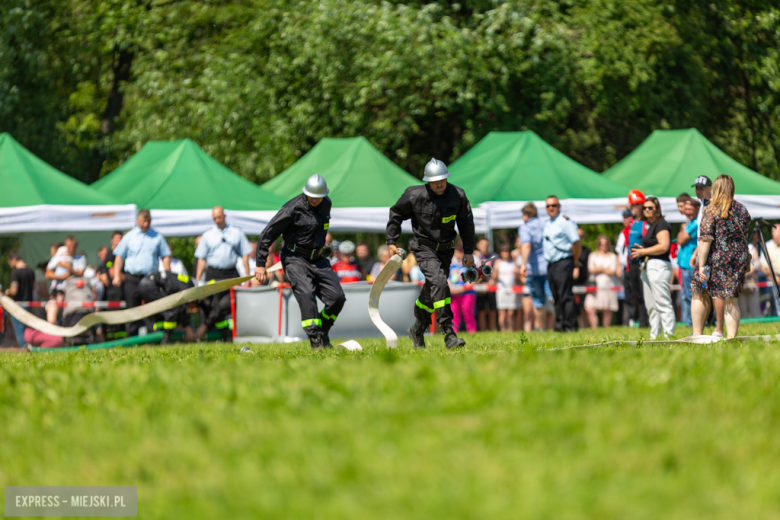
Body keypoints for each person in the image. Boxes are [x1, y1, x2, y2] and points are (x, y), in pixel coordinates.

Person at [387, 157, 476, 349]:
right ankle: (448, 332)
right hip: (423, 247)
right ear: (427, 181)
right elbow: (396, 214)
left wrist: (468, 251)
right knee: (439, 282)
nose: (439, 184)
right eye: (435, 181)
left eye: (442, 180)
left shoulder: (458, 195)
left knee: (433, 289)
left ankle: (418, 329)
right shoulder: (413, 195)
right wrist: (391, 241)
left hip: (446, 249)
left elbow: (466, 224)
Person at [255, 174, 346, 349]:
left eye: (318, 197)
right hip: (294, 258)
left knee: (337, 298)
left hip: (318, 258)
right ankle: (316, 340)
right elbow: (267, 234)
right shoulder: (292, 209)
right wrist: (260, 263)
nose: (314, 200)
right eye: (311, 196)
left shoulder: (326, 204)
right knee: (306, 295)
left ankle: (323, 331)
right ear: (305, 193)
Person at [691, 175, 751, 339]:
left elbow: (705, 239)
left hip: (715, 258)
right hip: (737, 259)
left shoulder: (711, 209)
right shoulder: (742, 210)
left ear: (715, 188)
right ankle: (731, 338)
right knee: (731, 300)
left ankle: (697, 335)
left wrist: (701, 264)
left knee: (699, 292)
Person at [194, 206, 252, 340]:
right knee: (210, 306)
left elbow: (245, 255)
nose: (217, 220)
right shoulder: (207, 235)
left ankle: (210, 330)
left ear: (224, 216)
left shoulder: (236, 232)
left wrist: (247, 277)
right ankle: (220, 335)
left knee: (224, 306)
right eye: (214, 218)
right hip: (213, 274)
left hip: (231, 274)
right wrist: (197, 281)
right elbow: (201, 259)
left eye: (219, 217)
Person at [112, 209, 172, 337]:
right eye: (144, 221)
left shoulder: (157, 237)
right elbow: (118, 257)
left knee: (152, 309)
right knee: (132, 310)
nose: (146, 224)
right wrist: (117, 275)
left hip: (150, 279)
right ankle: (131, 341)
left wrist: (167, 273)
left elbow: (166, 255)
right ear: (137, 220)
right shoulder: (129, 237)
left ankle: (153, 338)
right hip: (132, 279)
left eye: (148, 221)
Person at [631, 196, 675, 339]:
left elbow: (664, 246)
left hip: (659, 266)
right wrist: (642, 249)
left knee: (662, 303)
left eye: (651, 207)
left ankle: (669, 337)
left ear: (657, 209)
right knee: (651, 306)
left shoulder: (661, 224)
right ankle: (654, 337)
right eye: (645, 208)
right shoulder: (650, 225)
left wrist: (643, 251)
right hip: (648, 267)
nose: (647, 210)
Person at [691, 175, 725, 335]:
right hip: (703, 252)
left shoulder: (714, 206)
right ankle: (700, 331)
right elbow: (702, 233)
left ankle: (719, 329)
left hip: (713, 254)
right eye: (696, 188)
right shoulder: (703, 206)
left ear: (709, 188)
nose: (698, 191)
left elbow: (710, 235)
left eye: (701, 188)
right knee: (701, 292)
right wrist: (696, 252)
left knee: (715, 291)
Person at [542, 195, 581, 332]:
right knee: (556, 296)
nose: (551, 208)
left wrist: (574, 260)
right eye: (548, 206)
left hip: (563, 262)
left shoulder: (565, 222)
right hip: (551, 264)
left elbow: (577, 243)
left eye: (554, 205)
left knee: (565, 295)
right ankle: (559, 325)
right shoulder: (548, 223)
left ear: (559, 207)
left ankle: (569, 326)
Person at [139, 270, 197, 344]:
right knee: (171, 309)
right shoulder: (189, 287)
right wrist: (188, 329)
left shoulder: (186, 281)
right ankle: (166, 340)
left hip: (145, 283)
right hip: (151, 285)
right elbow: (182, 307)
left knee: (159, 313)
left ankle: (156, 340)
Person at [519, 202, 552, 332]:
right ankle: (562, 323)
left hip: (533, 269)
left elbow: (526, 245)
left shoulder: (525, 227)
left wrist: (523, 264)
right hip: (549, 267)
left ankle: (542, 328)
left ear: (526, 216)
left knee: (538, 301)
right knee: (554, 296)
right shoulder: (546, 224)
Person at [622, 190, 649, 328]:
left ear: (640, 206)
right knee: (636, 294)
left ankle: (645, 323)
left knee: (644, 295)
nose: (630, 208)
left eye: (633, 206)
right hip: (631, 265)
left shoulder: (645, 223)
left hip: (641, 264)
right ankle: (640, 322)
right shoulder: (632, 223)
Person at [584, 235, 620, 329]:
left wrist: (598, 268)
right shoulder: (592, 255)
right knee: (590, 308)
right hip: (595, 286)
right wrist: (605, 268)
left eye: (605, 244)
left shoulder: (612, 256)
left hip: (608, 285)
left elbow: (612, 271)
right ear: (598, 245)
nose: (603, 246)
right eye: (601, 244)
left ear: (608, 245)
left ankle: (606, 330)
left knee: (607, 309)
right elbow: (591, 269)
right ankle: (594, 329)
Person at [5, 251, 35, 346]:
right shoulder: (30, 271)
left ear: (13, 260)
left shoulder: (15, 272)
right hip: (29, 304)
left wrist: (7, 291)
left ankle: (24, 349)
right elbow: (34, 287)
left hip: (18, 305)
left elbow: (14, 290)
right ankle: (31, 346)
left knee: (20, 330)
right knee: (28, 329)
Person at [448, 244, 478, 334]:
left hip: (467, 293)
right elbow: (447, 278)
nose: (456, 254)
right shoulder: (451, 265)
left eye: (458, 252)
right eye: (455, 252)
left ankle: (472, 332)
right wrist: (450, 289)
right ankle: (454, 334)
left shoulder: (470, 266)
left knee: (468, 315)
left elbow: (475, 279)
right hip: (453, 294)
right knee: (454, 316)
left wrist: (462, 289)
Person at [492, 243, 517, 332]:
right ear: (501, 253)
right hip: (501, 290)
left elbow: (517, 277)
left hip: (512, 290)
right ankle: (502, 331)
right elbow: (494, 277)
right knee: (502, 313)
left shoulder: (514, 263)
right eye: (504, 251)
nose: (506, 253)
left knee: (511, 313)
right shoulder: (498, 262)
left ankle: (510, 331)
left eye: (507, 251)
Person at [474, 238, 497, 331]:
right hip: (479, 286)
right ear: (478, 246)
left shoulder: (494, 256)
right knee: (481, 311)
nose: (485, 247)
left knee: (492, 310)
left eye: (486, 245)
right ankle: (483, 331)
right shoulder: (475, 257)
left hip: (491, 286)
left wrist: (493, 280)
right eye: (482, 245)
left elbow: (496, 269)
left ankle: (492, 330)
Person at [614, 209, 632, 325]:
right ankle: (628, 320)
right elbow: (619, 252)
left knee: (635, 294)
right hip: (625, 268)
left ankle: (635, 319)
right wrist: (618, 267)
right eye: (624, 217)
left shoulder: (634, 231)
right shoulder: (622, 233)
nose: (626, 220)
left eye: (628, 217)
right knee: (628, 295)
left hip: (634, 266)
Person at [739, 229, 762, 318]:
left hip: (752, 282)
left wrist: (748, 271)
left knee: (754, 305)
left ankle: (758, 324)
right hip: (741, 282)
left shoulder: (751, 247)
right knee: (742, 307)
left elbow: (757, 263)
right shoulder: (735, 249)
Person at [573, 227, 591, 328]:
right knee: (575, 307)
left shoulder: (586, 250)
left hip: (583, 282)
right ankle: (578, 326)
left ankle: (586, 327)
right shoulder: (570, 250)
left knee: (584, 307)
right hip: (572, 282)